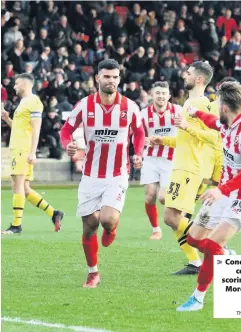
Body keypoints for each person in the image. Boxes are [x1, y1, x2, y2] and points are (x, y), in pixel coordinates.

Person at [177, 82, 241, 312]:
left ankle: (197, 298)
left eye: (217, 105)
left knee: (213, 244)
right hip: (224, 192)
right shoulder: (227, 123)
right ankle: (226, 255)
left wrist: (220, 190)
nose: (216, 109)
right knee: (194, 240)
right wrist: (195, 113)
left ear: (224, 107)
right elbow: (211, 122)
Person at [60, 59, 145, 288]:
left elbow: (138, 132)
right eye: (106, 76)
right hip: (90, 175)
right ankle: (93, 273)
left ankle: (112, 228)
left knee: (106, 220)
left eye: (115, 77)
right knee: (89, 226)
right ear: (97, 78)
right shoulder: (84, 105)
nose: (111, 80)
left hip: (117, 173)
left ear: (119, 78)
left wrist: (138, 152)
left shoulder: (129, 106)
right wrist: (68, 144)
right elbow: (66, 130)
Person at [150, 62, 215, 275]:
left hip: (190, 168)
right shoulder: (188, 103)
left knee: (170, 216)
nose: (183, 75)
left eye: (187, 73)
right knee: (172, 215)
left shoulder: (204, 104)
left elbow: (215, 136)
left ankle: (217, 250)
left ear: (199, 79)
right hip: (181, 166)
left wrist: (187, 126)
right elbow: (183, 139)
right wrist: (163, 141)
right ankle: (195, 262)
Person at [1, 73, 64, 235]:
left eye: (16, 84)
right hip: (19, 148)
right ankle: (54, 213)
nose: (14, 86)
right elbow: (20, 127)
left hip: (23, 149)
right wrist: (7, 119)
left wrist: (32, 152)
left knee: (17, 185)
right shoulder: (23, 103)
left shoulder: (34, 102)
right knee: (25, 188)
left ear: (25, 84)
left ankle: (16, 225)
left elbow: (36, 128)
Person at [140, 81, 181, 240]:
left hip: (171, 159)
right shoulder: (143, 114)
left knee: (163, 198)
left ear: (169, 96)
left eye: (164, 93)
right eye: (158, 93)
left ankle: (181, 215)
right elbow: (136, 135)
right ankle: (156, 229)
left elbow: (186, 131)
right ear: (152, 95)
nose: (161, 96)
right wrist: (143, 140)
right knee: (150, 195)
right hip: (150, 158)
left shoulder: (178, 111)